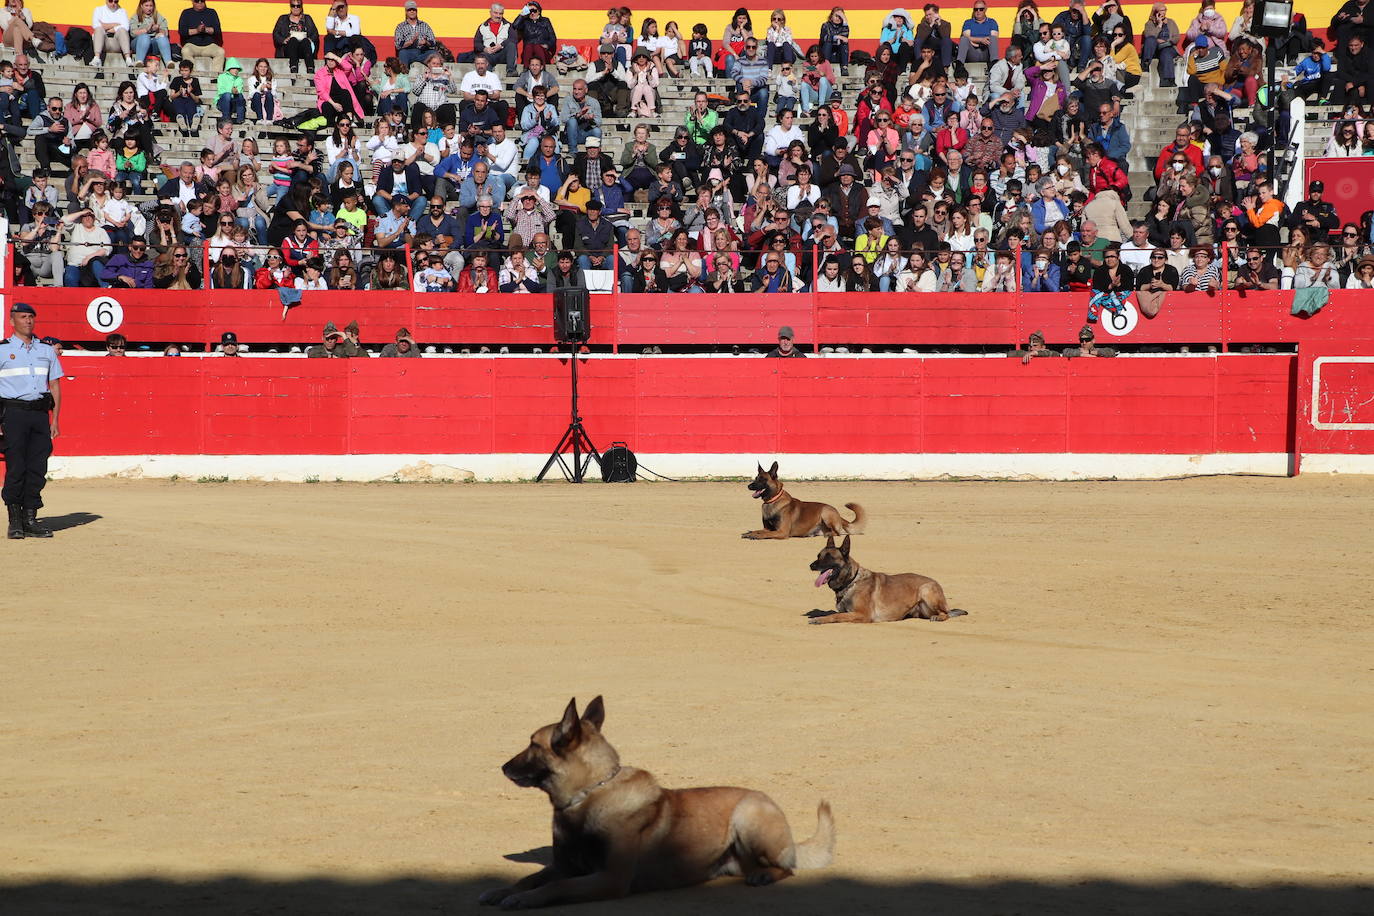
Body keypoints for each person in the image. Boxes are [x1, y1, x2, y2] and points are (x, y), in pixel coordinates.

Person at [0, 302, 62, 539]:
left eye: (31, 317)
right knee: (16, 466)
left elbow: (54, 384)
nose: (28, 321)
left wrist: (55, 419)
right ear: (11, 321)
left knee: (37, 467)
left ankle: (30, 519)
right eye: (23, 317)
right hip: (13, 414)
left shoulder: (45, 350)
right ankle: (15, 521)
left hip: (39, 414)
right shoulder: (2, 350)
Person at [178, 0, 225, 76]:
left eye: (202, 1)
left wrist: (205, 29)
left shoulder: (212, 12)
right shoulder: (186, 13)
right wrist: (197, 30)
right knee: (185, 50)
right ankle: (193, 75)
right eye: (197, 1)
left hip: (209, 46)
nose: (200, 3)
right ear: (193, 2)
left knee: (220, 51)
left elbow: (217, 31)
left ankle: (214, 78)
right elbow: (182, 31)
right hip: (192, 45)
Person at [273, 0, 319, 74]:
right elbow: (276, 33)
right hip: (289, 48)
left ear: (301, 7)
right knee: (293, 40)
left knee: (305, 41)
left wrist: (310, 39)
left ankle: (310, 69)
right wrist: (284, 40)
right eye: (293, 5)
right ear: (290, 7)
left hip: (304, 48)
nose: (295, 8)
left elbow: (315, 33)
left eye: (298, 6)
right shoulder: (283, 18)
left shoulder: (307, 18)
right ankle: (293, 68)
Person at [93, 0, 135, 68]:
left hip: (117, 42)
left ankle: (128, 59)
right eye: (110, 1)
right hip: (103, 42)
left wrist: (106, 26)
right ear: (106, 1)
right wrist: (116, 24)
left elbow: (126, 27)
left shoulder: (122, 11)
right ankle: (97, 58)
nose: (113, 3)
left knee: (122, 30)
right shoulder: (98, 10)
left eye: (116, 1)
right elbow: (96, 25)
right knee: (99, 29)